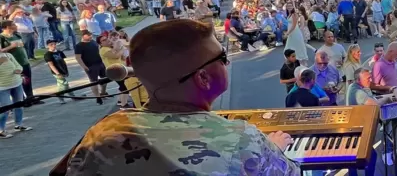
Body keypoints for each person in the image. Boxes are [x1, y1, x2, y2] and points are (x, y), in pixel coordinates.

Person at [66, 20, 300, 175]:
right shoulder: (241, 140)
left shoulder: (102, 132)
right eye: (223, 56)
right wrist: (274, 150)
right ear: (203, 78)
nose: (227, 63)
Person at [0, 51, 32, 138]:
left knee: (19, 104)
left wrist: (19, 70)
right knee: (5, 108)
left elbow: (18, 65)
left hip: (16, 83)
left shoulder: (8, 55)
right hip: (2, 87)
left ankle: (19, 124)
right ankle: (1, 129)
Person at [74, 30, 107, 105]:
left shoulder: (93, 42)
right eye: (88, 35)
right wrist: (84, 66)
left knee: (104, 79)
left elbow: (99, 50)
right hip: (90, 66)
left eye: (90, 35)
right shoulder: (79, 46)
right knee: (94, 82)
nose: (90, 36)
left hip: (100, 63)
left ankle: (103, 92)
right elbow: (78, 57)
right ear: (83, 36)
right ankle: (98, 97)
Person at [44, 39, 76, 104]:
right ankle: (61, 97)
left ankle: (73, 96)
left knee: (65, 85)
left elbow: (63, 61)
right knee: (63, 85)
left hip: (63, 70)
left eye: (54, 44)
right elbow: (51, 65)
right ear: (48, 46)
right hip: (57, 72)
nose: (53, 46)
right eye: (51, 45)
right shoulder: (48, 54)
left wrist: (66, 70)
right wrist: (57, 73)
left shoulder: (59, 52)